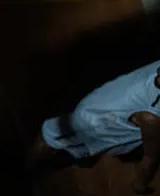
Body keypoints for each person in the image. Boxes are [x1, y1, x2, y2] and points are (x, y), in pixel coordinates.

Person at [28, 61, 160, 194]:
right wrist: (140, 184)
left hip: (107, 101)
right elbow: (151, 158)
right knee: (51, 136)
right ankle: (25, 167)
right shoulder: (153, 117)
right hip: (93, 122)